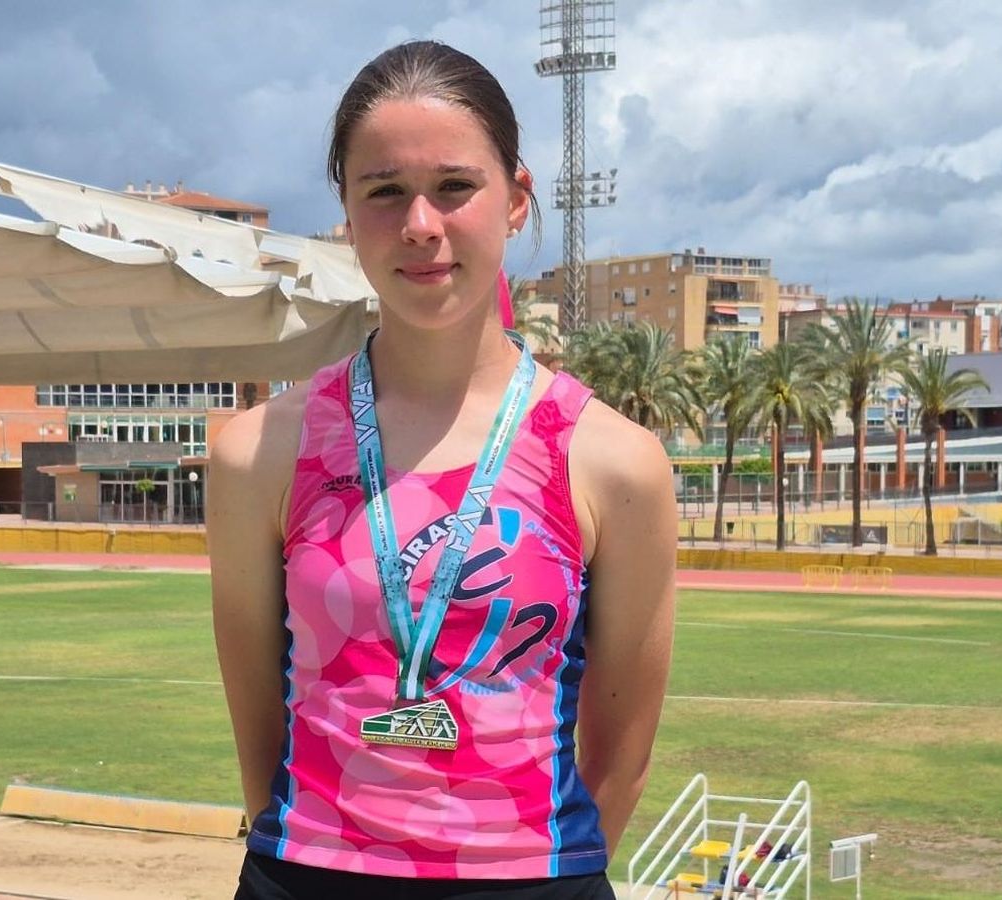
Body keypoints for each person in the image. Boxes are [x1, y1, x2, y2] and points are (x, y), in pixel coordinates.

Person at [209, 40, 676, 900]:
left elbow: (623, 747)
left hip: (534, 880)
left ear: (517, 200)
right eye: (384, 192)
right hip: (307, 875)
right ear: (347, 216)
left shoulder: (614, 462)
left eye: (454, 186)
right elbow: (259, 733)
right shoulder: (258, 453)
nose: (421, 224)